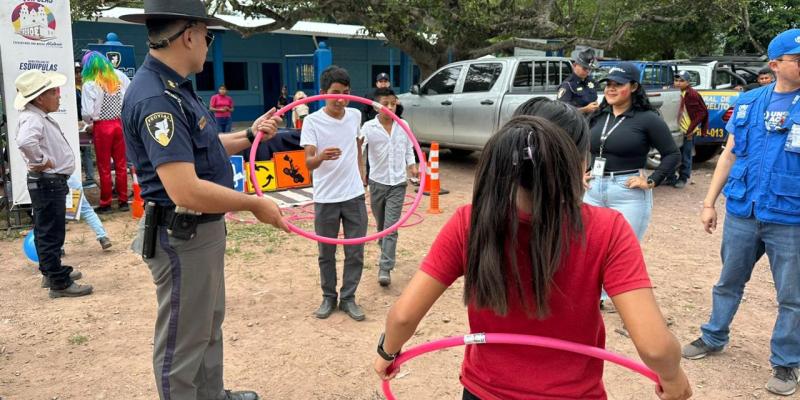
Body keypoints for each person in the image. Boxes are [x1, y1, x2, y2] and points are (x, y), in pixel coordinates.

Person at [373, 116, 691, 400]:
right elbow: (654, 347)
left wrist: (387, 352)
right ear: (577, 163)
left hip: (484, 392)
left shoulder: (470, 221)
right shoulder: (607, 229)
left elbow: (402, 317)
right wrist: (673, 378)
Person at [119, 1, 287, 398]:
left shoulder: (176, 89)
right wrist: (254, 203)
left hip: (201, 232)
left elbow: (204, 145)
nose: (208, 45)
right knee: (182, 341)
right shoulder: (156, 99)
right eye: (208, 36)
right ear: (190, 35)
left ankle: (212, 395)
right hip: (182, 236)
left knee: (208, 324)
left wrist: (251, 134)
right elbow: (185, 188)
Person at [682, 29, 800, 397]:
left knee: (792, 297)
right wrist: (708, 202)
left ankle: (785, 362)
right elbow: (729, 155)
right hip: (743, 211)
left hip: (790, 217)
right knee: (728, 281)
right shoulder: (749, 101)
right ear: (775, 64)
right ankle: (713, 336)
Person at [15, 70, 94, 298]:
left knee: (46, 230)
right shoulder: (33, 118)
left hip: (48, 183)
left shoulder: (37, 116)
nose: (59, 96)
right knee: (51, 232)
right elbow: (25, 142)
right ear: (40, 98)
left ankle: (51, 272)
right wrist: (41, 161)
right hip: (48, 183)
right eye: (54, 92)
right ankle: (58, 281)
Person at [300, 65, 368, 321]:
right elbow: (307, 163)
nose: (341, 99)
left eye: (346, 93)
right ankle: (329, 297)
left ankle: (348, 298)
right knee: (326, 252)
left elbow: (357, 145)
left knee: (355, 251)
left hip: (353, 195)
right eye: (336, 93)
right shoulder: (312, 121)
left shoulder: (354, 115)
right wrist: (321, 156)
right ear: (322, 93)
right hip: (326, 198)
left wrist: (361, 174)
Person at [584, 62, 680, 241]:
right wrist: (583, 171)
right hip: (593, 191)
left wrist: (652, 180)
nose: (611, 89)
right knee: (591, 250)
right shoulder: (598, 116)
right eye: (608, 85)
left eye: (618, 85)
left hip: (627, 193)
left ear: (634, 86)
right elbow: (586, 147)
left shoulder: (648, 119)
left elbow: (672, 154)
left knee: (622, 253)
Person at [360, 88, 418, 287]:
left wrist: (412, 165)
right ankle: (385, 247)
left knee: (391, 228)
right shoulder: (368, 127)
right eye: (386, 104)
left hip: (398, 183)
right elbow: (359, 150)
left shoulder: (403, 125)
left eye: (393, 103)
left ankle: (385, 267)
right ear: (377, 106)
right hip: (377, 183)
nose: (390, 107)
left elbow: (409, 148)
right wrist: (360, 174)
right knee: (381, 225)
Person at [81, 51, 131, 214]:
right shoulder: (119, 75)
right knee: (121, 164)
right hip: (119, 123)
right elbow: (130, 95)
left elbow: (87, 112)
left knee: (103, 166)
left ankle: (106, 203)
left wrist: (89, 123)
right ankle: (124, 201)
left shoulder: (91, 82)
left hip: (102, 126)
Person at [668, 70, 709, 189]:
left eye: (682, 81)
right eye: (676, 80)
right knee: (671, 155)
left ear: (688, 82)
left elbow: (702, 112)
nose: (678, 83)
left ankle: (683, 178)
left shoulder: (692, 94)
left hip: (687, 130)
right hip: (675, 130)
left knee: (686, 156)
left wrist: (691, 130)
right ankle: (670, 177)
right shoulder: (673, 93)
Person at [67, 175, 113, 250]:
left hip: (52, 184)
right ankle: (103, 237)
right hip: (72, 181)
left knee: (55, 215)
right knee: (87, 210)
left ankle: (59, 248)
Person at [557, 48, 600, 115]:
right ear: (574, 65)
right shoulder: (568, 85)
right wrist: (585, 110)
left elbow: (594, 100)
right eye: (584, 68)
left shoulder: (591, 82)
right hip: (576, 123)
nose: (587, 71)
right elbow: (562, 111)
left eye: (589, 69)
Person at [75, 61, 97, 188]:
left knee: (87, 150)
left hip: (87, 124)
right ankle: (77, 178)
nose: (78, 75)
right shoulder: (71, 89)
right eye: (76, 72)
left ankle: (90, 178)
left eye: (80, 72)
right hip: (75, 123)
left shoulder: (88, 86)